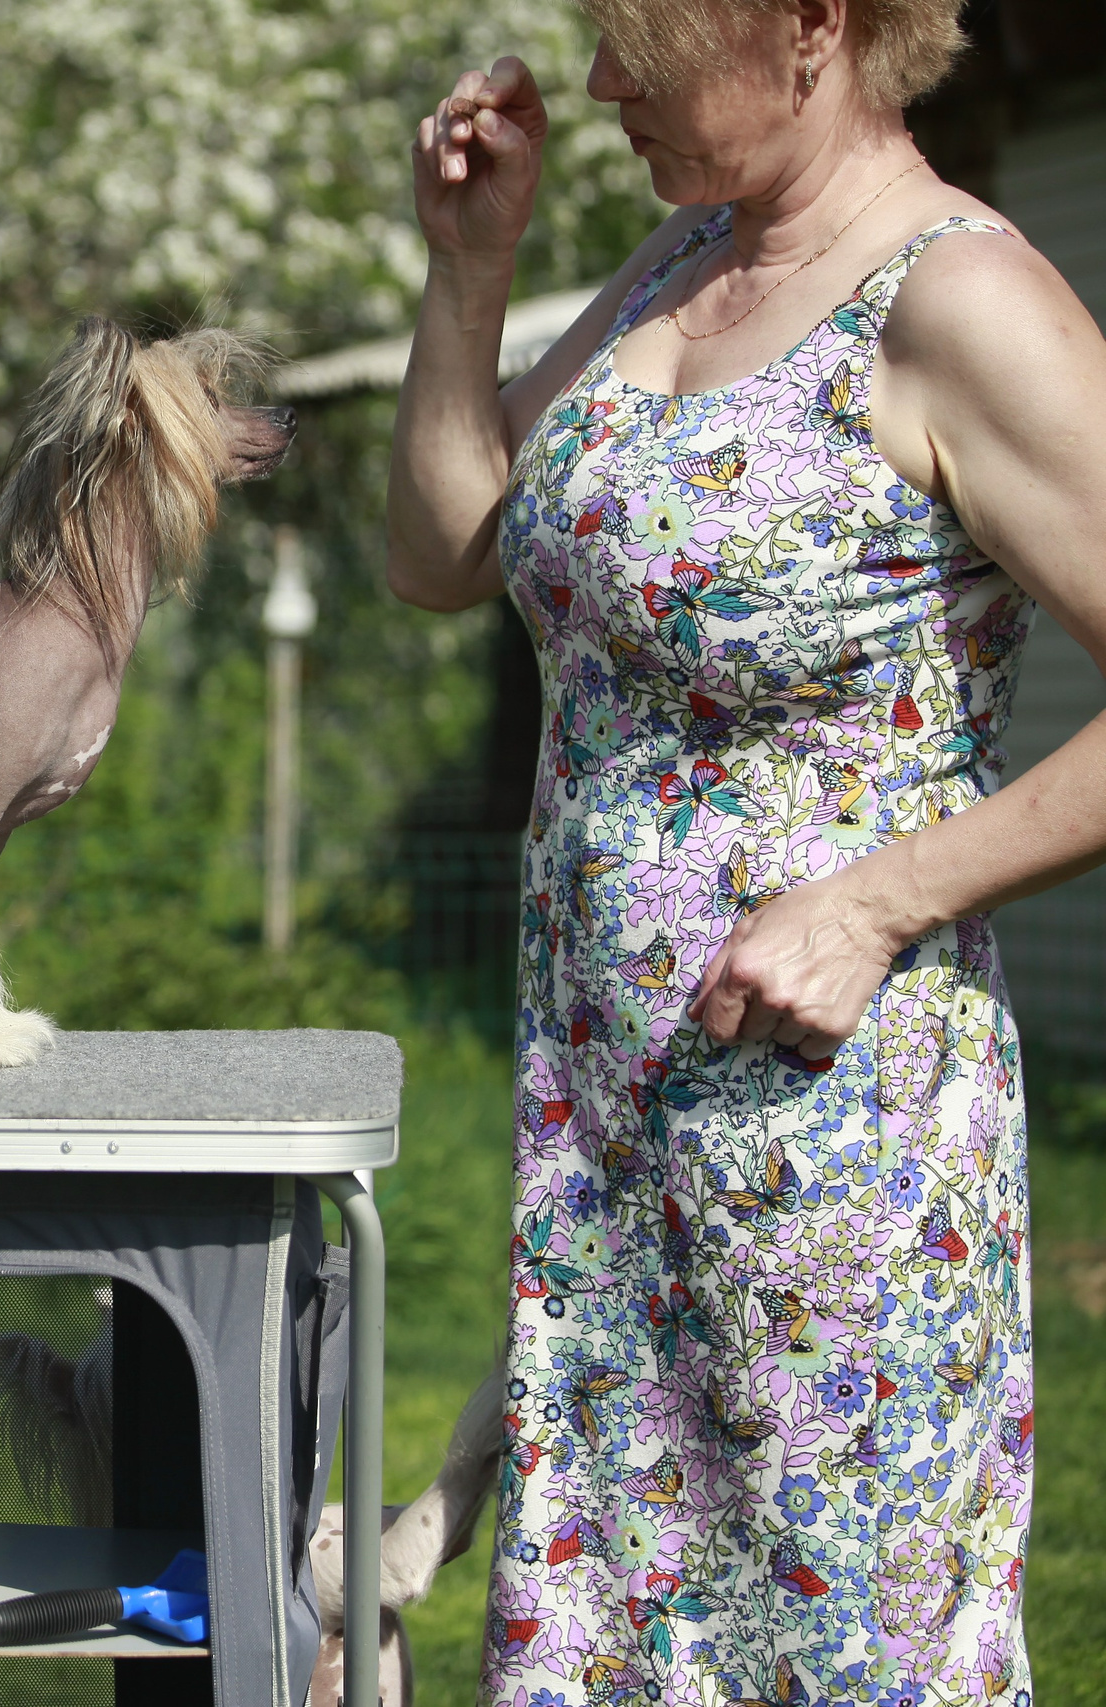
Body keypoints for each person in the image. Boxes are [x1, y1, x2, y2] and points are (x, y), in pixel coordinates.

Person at [384, 0, 1106, 1698]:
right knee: (611, 1647)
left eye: (639, 38)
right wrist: (468, 268)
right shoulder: (676, 264)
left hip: (835, 1162)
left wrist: (876, 903)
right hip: (603, 1147)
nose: (600, 81)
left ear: (810, 25)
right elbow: (439, 558)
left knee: (826, 1654)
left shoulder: (959, 301)